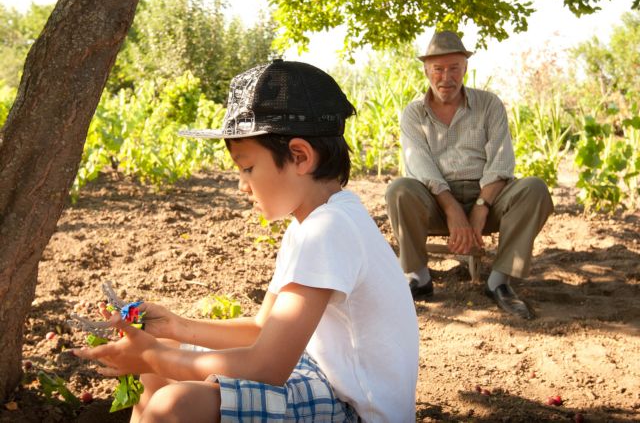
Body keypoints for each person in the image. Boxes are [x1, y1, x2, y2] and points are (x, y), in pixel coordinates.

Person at [74, 60, 419, 422]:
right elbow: (261, 328)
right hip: (323, 376)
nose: (242, 185)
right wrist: (177, 327)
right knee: (165, 352)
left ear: (300, 156)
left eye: (248, 168)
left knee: (174, 405)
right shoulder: (311, 223)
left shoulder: (329, 228)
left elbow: (268, 365)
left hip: (357, 411)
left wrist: (149, 356)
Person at [385, 31, 554, 320]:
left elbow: (501, 162)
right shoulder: (414, 114)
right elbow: (421, 167)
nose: (446, 77)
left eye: (454, 68)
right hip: (435, 202)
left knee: (535, 189)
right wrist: (452, 211)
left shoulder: (489, 104)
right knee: (399, 189)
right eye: (438, 69)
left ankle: (498, 282)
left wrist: (480, 208)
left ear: (465, 68)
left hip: (489, 198)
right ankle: (420, 279)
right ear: (426, 70)